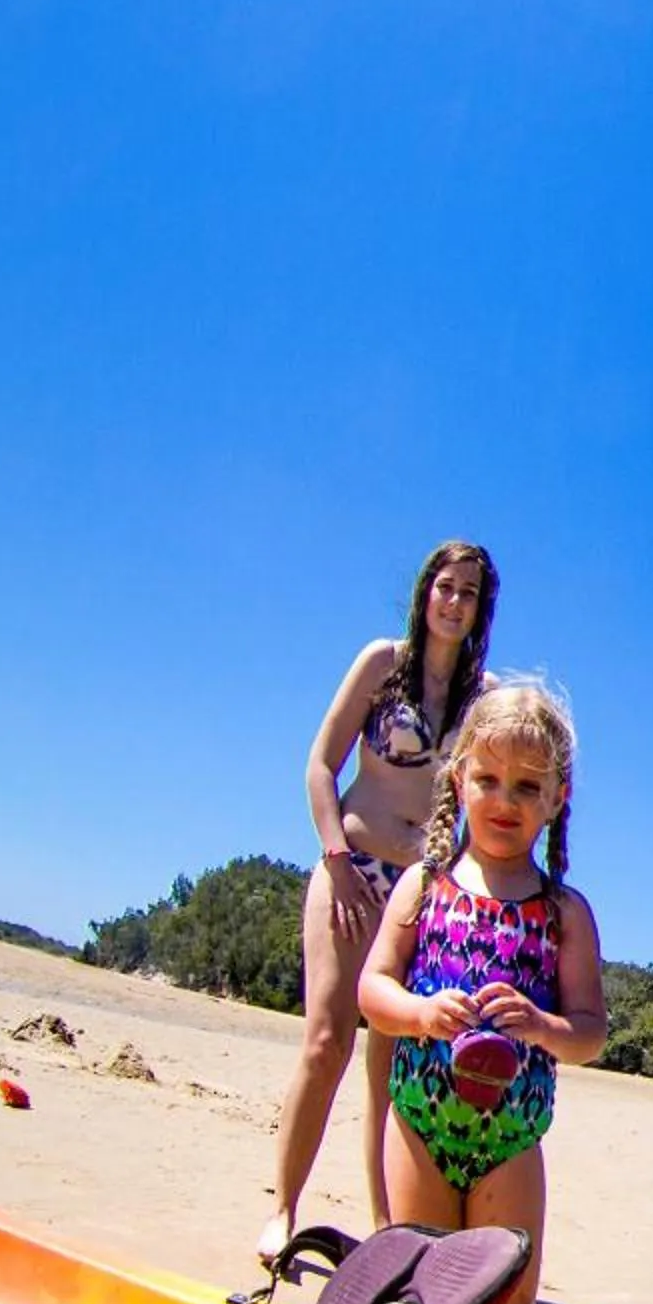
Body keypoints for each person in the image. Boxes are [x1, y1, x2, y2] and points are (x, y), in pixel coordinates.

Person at [356, 680, 607, 1304]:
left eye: (528, 788)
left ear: (558, 799)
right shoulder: (423, 886)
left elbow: (590, 1032)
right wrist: (420, 1014)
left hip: (511, 1141)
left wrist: (540, 1024)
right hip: (418, 1125)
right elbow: (372, 990)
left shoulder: (565, 913)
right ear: (458, 777)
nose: (505, 801)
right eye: (489, 779)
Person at [259, 540, 498, 1264]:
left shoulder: (482, 701)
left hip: (418, 892)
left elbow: (489, 798)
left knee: (391, 1066)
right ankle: (282, 1211)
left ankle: (386, 1234)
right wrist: (335, 860)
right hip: (350, 871)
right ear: (425, 593)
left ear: (482, 610)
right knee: (328, 1040)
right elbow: (318, 766)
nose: (454, 603)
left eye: (470, 594)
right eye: (446, 588)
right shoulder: (380, 665)